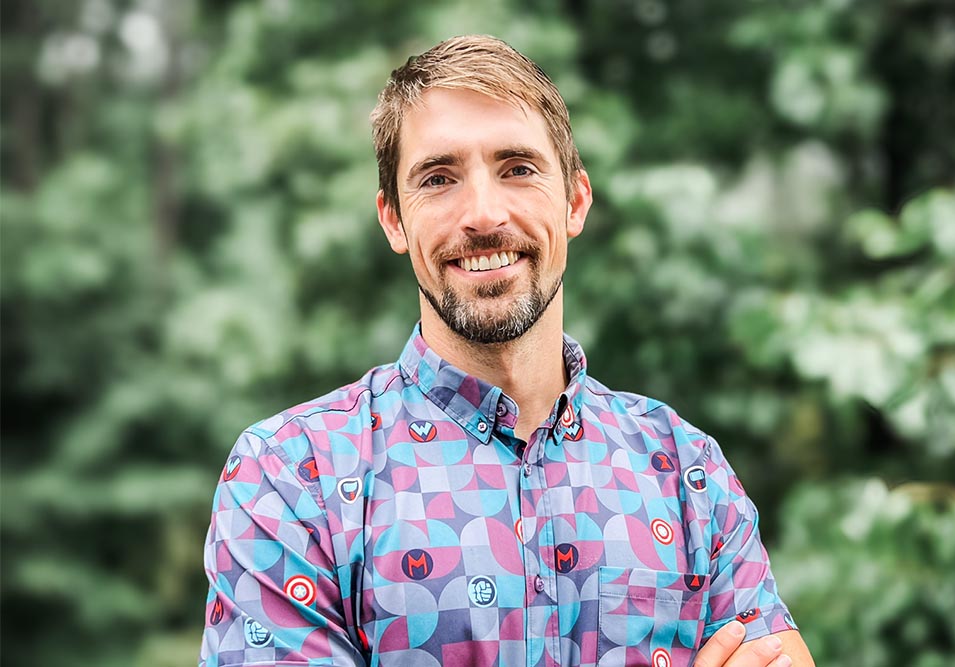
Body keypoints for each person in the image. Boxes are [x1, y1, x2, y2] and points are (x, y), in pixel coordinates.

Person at [199, 35, 815, 667]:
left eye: (518, 168)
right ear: (392, 220)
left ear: (575, 201)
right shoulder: (290, 479)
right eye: (439, 178)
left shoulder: (689, 472)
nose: (484, 214)